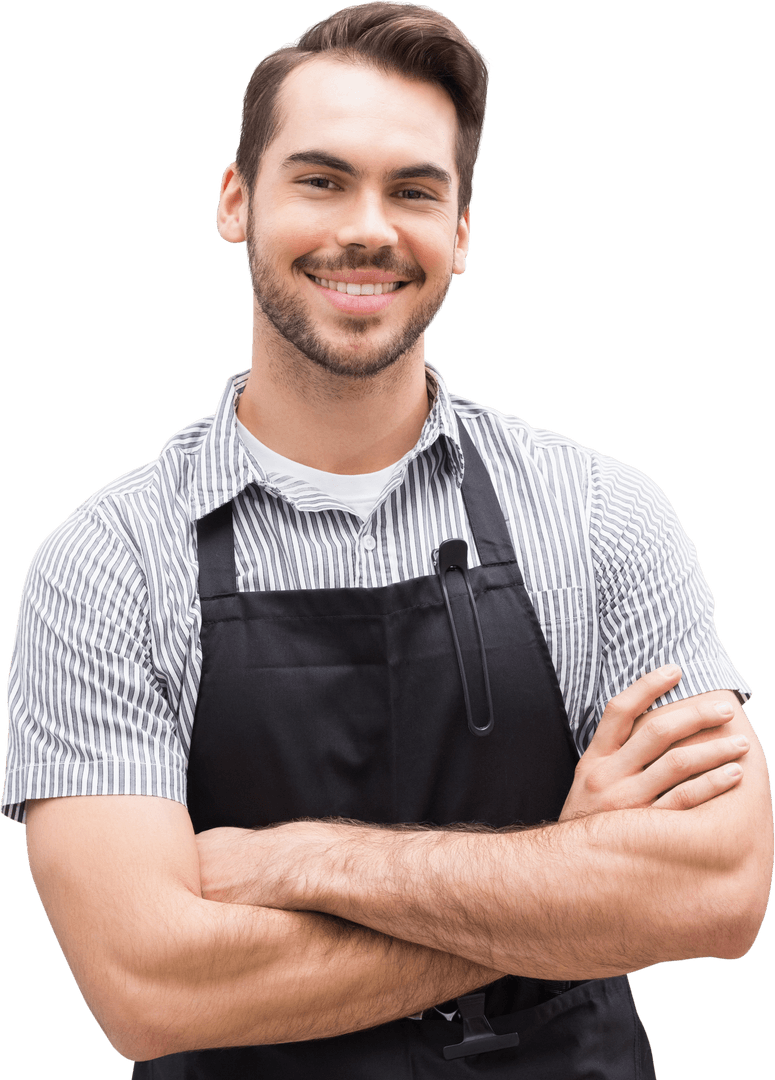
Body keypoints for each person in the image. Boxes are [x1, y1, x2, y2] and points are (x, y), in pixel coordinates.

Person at [3, 3, 771, 1077]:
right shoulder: (105, 565)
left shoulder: (599, 515)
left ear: (459, 230)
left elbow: (718, 893)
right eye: (319, 180)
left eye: (414, 190)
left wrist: (294, 861)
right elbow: (147, 986)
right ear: (237, 200)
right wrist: (570, 878)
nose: (367, 227)